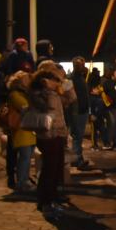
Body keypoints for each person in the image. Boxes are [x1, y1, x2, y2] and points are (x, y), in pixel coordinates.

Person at [30, 64, 76, 219]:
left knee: (56, 169)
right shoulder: (39, 93)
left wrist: (66, 84)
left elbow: (71, 99)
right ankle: (45, 202)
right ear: (45, 80)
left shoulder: (54, 94)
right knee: (49, 170)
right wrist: (48, 89)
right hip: (47, 136)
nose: (57, 82)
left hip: (58, 135)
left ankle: (53, 198)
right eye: (54, 79)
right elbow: (44, 108)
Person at [6, 71, 37, 191]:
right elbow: (25, 107)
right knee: (24, 157)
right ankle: (22, 182)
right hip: (21, 130)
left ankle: (25, 179)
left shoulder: (26, 93)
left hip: (29, 130)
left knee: (27, 157)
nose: (29, 81)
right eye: (26, 79)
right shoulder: (15, 94)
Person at [68, 57, 91, 169]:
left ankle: (77, 158)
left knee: (78, 137)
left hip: (82, 110)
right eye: (80, 65)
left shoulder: (81, 78)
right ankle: (77, 159)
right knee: (77, 136)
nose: (82, 67)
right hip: (77, 111)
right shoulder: (72, 79)